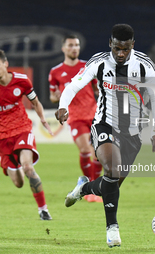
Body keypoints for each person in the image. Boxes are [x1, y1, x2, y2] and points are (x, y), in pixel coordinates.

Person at [55, 24, 155, 247]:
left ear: (133, 45)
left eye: (125, 49)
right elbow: (73, 86)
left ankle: (83, 188)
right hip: (105, 124)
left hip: (133, 133)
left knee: (111, 185)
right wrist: (63, 106)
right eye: (116, 48)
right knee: (112, 170)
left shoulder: (145, 65)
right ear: (110, 44)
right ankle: (112, 230)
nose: (120, 54)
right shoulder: (99, 62)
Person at [0, 49, 53, 220]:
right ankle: (9, 162)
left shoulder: (21, 81)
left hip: (22, 129)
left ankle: (43, 209)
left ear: (5, 64)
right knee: (19, 183)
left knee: (28, 167)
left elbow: (35, 102)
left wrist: (43, 118)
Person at [49, 34, 102, 203]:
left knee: (99, 153)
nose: (74, 48)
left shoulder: (87, 67)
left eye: (77, 45)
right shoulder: (55, 72)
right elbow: (52, 96)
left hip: (93, 114)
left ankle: (92, 188)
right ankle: (87, 188)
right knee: (86, 149)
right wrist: (56, 97)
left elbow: (96, 89)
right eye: (71, 45)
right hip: (76, 117)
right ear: (64, 48)